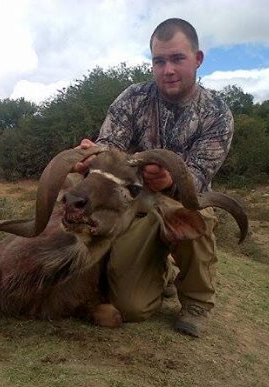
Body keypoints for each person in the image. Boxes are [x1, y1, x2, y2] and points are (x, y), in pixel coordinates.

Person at [75, 18, 234, 337]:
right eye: (159, 61)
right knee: (131, 309)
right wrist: (93, 155)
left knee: (197, 211)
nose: (168, 70)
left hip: (179, 201)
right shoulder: (133, 98)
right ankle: (162, 273)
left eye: (177, 59)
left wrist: (169, 180)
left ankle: (197, 304)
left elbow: (199, 177)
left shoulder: (217, 114)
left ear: (198, 59)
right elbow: (111, 146)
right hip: (135, 204)